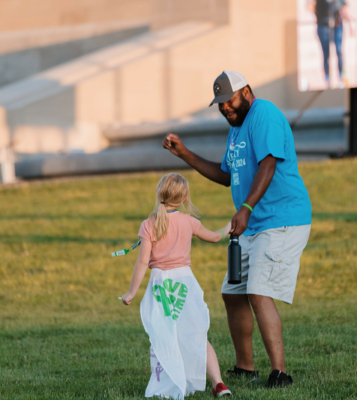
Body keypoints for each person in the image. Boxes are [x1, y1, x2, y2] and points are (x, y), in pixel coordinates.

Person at [162, 71, 312, 387]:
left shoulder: (265, 114)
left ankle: (280, 373)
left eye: (228, 101)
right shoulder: (236, 130)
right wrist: (185, 154)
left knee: (258, 291)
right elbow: (226, 174)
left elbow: (269, 164)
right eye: (219, 104)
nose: (225, 108)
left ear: (245, 91)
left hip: (281, 220)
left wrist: (245, 208)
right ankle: (245, 367)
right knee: (232, 292)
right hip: (252, 224)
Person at [121, 173, 232, 399]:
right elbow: (214, 237)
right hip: (185, 284)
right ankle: (219, 383)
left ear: (159, 193)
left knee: (164, 335)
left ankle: (168, 384)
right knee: (197, 334)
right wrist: (227, 229)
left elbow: (143, 261)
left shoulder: (149, 224)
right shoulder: (189, 221)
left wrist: (132, 292)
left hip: (161, 285)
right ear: (184, 198)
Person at [309, 0, 353, 87]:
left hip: (337, 25)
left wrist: (350, 25)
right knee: (326, 54)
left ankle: (341, 77)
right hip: (323, 26)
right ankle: (327, 79)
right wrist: (316, 10)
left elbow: (344, 8)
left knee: (339, 51)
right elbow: (310, 6)